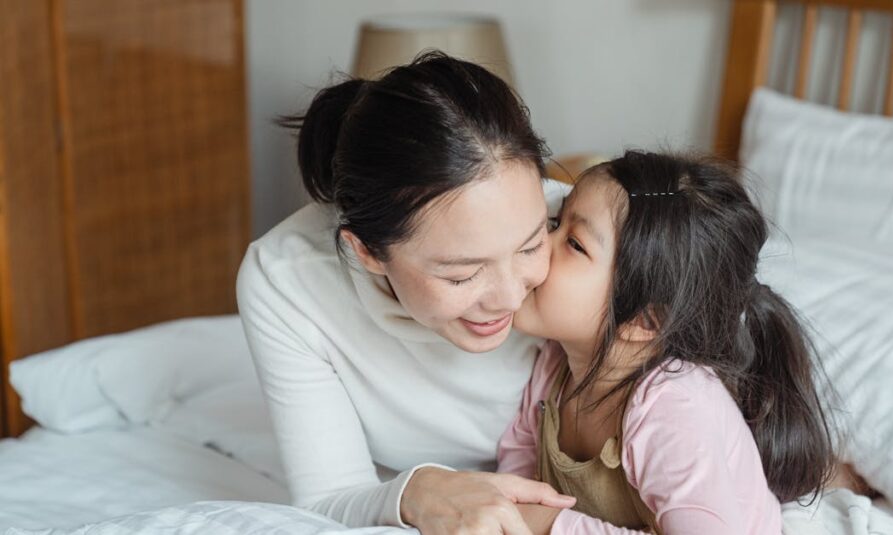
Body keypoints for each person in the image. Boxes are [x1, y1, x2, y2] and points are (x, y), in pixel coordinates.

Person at [236, 51, 576, 534]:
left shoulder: (591, 239)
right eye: (462, 275)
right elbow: (329, 497)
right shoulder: (286, 280)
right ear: (366, 252)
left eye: (531, 245)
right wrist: (415, 491)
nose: (508, 299)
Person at [498, 150, 837, 534]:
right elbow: (519, 465)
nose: (541, 243)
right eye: (555, 222)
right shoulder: (553, 367)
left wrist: (551, 525)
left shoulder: (672, 406)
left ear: (644, 320)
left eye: (574, 243)